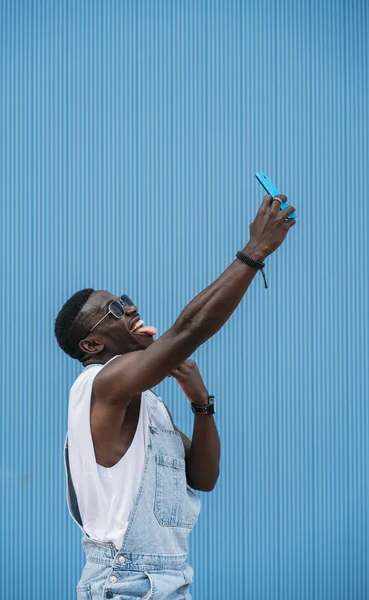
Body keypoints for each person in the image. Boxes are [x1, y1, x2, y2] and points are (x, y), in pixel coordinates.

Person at [54, 194, 296, 599]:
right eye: (116, 308)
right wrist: (256, 250)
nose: (131, 309)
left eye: (126, 300)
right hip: (126, 584)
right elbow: (187, 331)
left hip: (167, 583)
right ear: (93, 344)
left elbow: (203, 477)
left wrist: (201, 404)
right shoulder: (98, 386)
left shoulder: (146, 403)